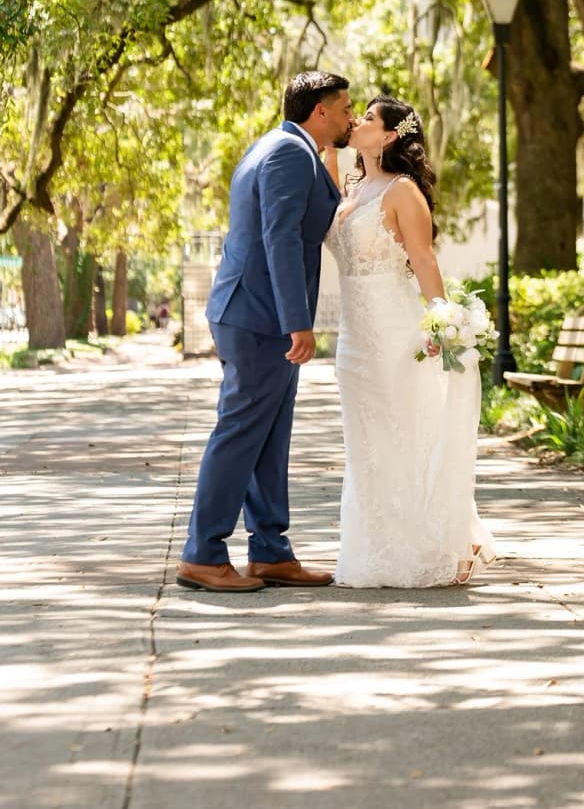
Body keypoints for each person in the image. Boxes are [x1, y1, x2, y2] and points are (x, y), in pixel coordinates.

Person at [176, 70, 352, 593]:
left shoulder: (282, 147)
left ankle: (270, 550)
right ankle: (203, 553)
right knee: (239, 434)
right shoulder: (289, 154)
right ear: (319, 111)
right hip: (259, 318)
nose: (349, 117)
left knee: (269, 436)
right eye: (344, 108)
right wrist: (298, 321)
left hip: (253, 312)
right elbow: (278, 239)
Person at [323, 94, 496, 586]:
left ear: (391, 136)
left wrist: (440, 320)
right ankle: (376, 549)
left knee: (406, 433)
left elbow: (423, 259)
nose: (356, 120)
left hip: (395, 329)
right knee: (366, 443)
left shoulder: (402, 191)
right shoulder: (353, 187)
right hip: (354, 335)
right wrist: (330, 158)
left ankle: (434, 545)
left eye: (369, 118)